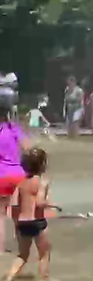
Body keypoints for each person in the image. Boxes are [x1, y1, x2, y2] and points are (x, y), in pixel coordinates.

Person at [7, 148, 55, 281]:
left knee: (23, 254)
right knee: (44, 253)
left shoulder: (21, 184)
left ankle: (9, 278)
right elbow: (39, 203)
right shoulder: (42, 182)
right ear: (42, 165)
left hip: (22, 222)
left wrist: (16, 223)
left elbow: (14, 204)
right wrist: (51, 205)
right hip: (37, 222)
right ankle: (45, 279)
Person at [0, 102, 29, 253]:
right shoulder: (13, 129)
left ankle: (0, 248)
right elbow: (28, 148)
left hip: (1, 175)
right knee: (18, 214)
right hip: (18, 174)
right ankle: (22, 247)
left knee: (1, 214)